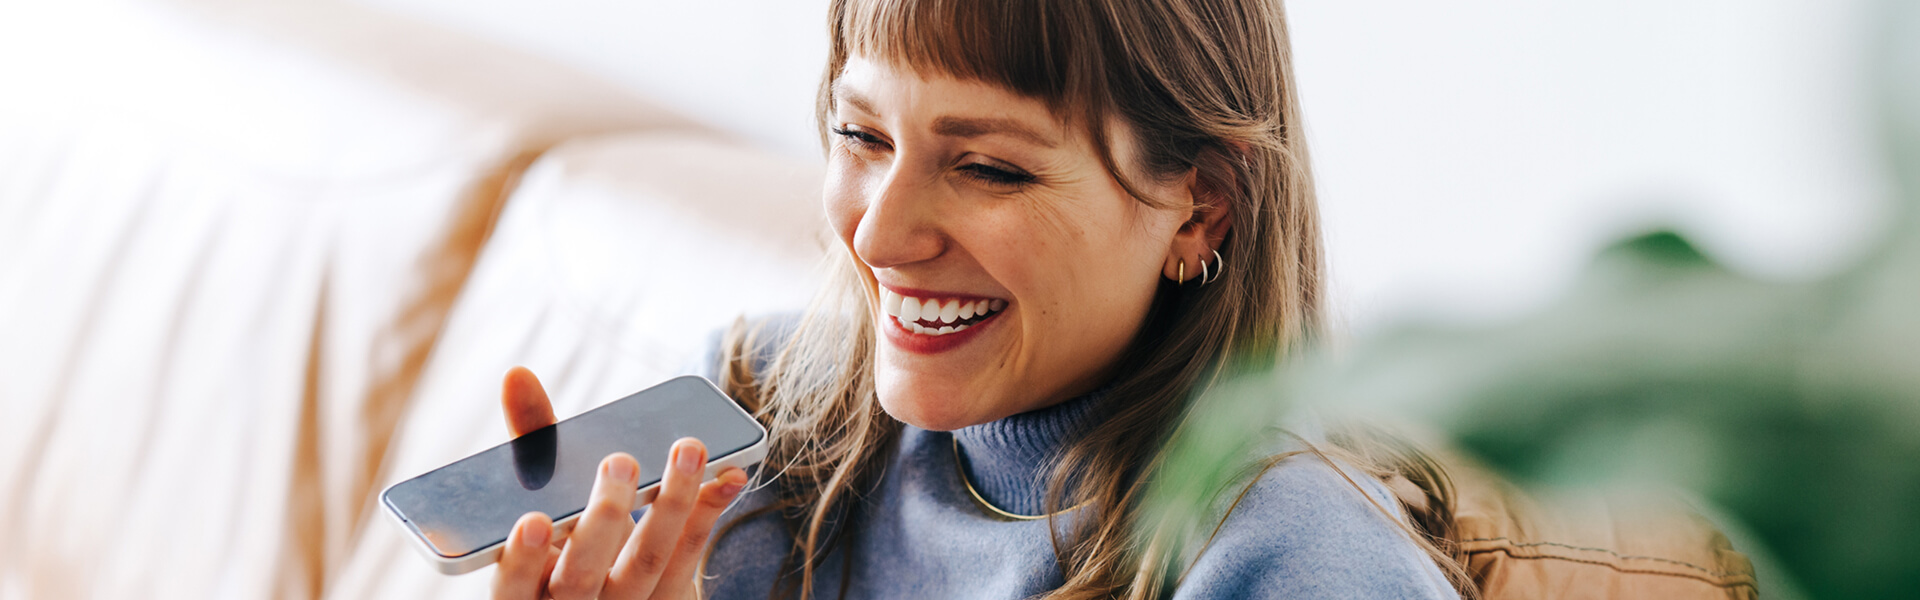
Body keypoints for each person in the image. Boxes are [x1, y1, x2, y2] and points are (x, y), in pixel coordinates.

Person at [489, 0, 1466, 598]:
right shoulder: (759, 413)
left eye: (991, 168)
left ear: (1200, 208)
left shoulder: (1294, 558)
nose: (877, 236)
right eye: (862, 136)